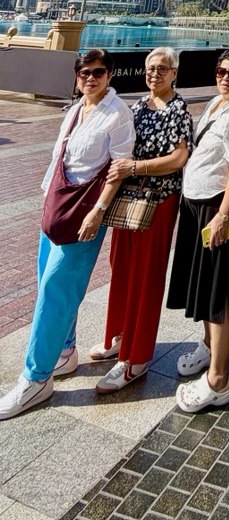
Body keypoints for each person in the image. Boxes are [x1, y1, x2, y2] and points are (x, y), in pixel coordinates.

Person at [0, 50, 134, 420]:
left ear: (109, 75)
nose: (90, 78)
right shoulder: (77, 109)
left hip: (85, 213)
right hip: (57, 206)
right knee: (47, 280)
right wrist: (47, 201)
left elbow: (118, 170)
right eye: (83, 72)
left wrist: (98, 212)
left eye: (97, 72)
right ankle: (64, 351)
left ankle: (36, 378)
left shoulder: (117, 113)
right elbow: (60, 158)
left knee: (56, 290)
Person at [92, 47, 194, 393]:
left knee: (146, 275)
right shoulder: (138, 106)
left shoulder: (178, 109)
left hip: (158, 200)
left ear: (174, 73)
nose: (154, 74)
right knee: (121, 266)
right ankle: (118, 336)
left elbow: (179, 157)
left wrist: (137, 168)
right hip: (128, 200)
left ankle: (136, 358)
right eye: (150, 68)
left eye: (162, 69)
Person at [168, 50, 229, 412]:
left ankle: (219, 380)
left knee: (219, 286)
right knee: (204, 283)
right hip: (197, 203)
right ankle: (209, 346)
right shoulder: (217, 103)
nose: (225, 77)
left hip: (217, 207)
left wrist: (223, 215)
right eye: (221, 71)